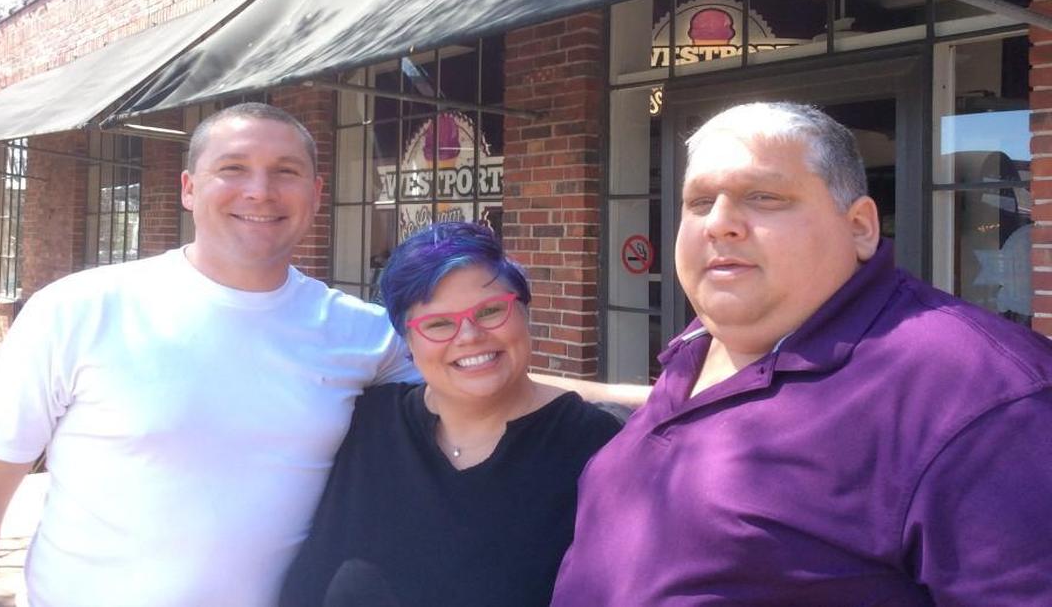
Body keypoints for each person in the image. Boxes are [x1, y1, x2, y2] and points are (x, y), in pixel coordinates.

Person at [0, 103, 418, 607]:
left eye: (286, 172)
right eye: (232, 169)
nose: (260, 190)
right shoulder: (80, 309)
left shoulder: (368, 336)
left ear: (315, 193)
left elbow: (469, 422)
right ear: (189, 188)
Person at [551, 102, 1052, 605]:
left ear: (859, 226)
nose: (719, 224)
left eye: (763, 197)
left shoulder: (979, 394)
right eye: (700, 201)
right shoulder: (702, 343)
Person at [280, 222, 621, 607]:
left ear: (524, 313)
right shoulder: (366, 424)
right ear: (407, 342)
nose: (469, 336)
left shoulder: (597, 448)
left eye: (491, 311)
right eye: (438, 323)